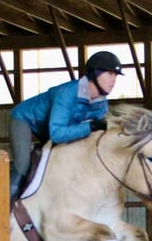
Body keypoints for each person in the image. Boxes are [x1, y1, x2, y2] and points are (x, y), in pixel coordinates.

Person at [8, 50, 124, 202]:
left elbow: (97, 134)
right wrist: (90, 127)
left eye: (115, 76)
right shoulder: (67, 93)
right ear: (95, 73)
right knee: (23, 166)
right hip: (25, 120)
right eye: (109, 74)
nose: (113, 80)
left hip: (51, 128)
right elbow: (56, 133)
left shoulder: (101, 103)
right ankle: (4, 210)